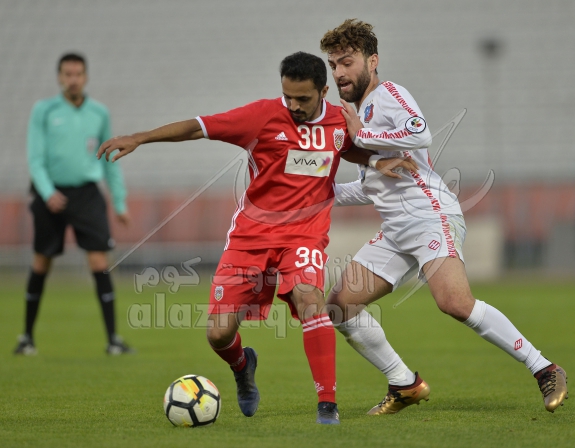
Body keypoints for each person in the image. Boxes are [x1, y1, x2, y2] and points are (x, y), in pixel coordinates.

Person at [96, 51, 416, 424]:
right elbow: (198, 127)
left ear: (323, 91)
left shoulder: (338, 120)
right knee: (218, 334)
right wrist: (141, 137)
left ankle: (327, 405)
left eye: (302, 98)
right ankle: (242, 366)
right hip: (251, 236)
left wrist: (376, 160)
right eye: (288, 96)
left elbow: (349, 149)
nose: (293, 105)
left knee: (311, 301)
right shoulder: (262, 116)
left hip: (304, 235)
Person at [321, 19, 568, 415]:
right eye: (333, 65)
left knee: (454, 302)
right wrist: (314, 192)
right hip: (396, 230)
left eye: (347, 62)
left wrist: (361, 137)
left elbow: (420, 132)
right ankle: (404, 383)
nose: (339, 73)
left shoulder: (388, 95)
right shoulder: (361, 111)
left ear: (373, 60)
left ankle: (545, 368)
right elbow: (371, 187)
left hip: (429, 215)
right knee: (340, 305)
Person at [14, 53, 133, 356]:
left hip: (87, 194)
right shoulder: (44, 110)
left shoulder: (99, 113)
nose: (73, 79)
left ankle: (113, 340)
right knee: (41, 262)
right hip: (50, 194)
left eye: (78, 74)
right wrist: (47, 192)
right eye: (67, 74)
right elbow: (35, 158)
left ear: (85, 77)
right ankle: (27, 338)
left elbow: (109, 159)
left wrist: (119, 202)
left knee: (100, 263)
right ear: (59, 77)